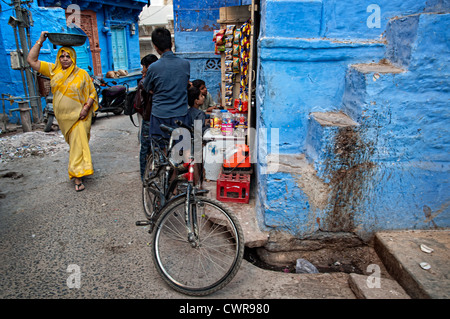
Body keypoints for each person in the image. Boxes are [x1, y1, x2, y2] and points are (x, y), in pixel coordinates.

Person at [27, 31, 98, 192]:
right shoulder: (53, 70)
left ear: (73, 58)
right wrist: (40, 41)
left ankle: (78, 176)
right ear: (58, 58)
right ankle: (80, 168)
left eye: (68, 56)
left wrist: (86, 108)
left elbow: (92, 93)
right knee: (76, 145)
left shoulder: (82, 74)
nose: (65, 59)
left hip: (80, 116)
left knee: (77, 144)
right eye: (62, 56)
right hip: (63, 118)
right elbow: (31, 60)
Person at [143, 27, 190, 140]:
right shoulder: (185, 64)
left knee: (160, 149)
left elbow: (147, 87)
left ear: (155, 46)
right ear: (172, 43)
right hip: (181, 114)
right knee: (181, 150)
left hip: (160, 114)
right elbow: (185, 84)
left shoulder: (153, 67)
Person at [135, 54, 158, 180]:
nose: (142, 69)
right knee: (154, 147)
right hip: (154, 118)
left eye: (143, 66)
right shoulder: (152, 79)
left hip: (148, 118)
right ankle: (148, 174)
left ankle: (145, 176)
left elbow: (139, 104)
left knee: (145, 147)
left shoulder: (146, 81)